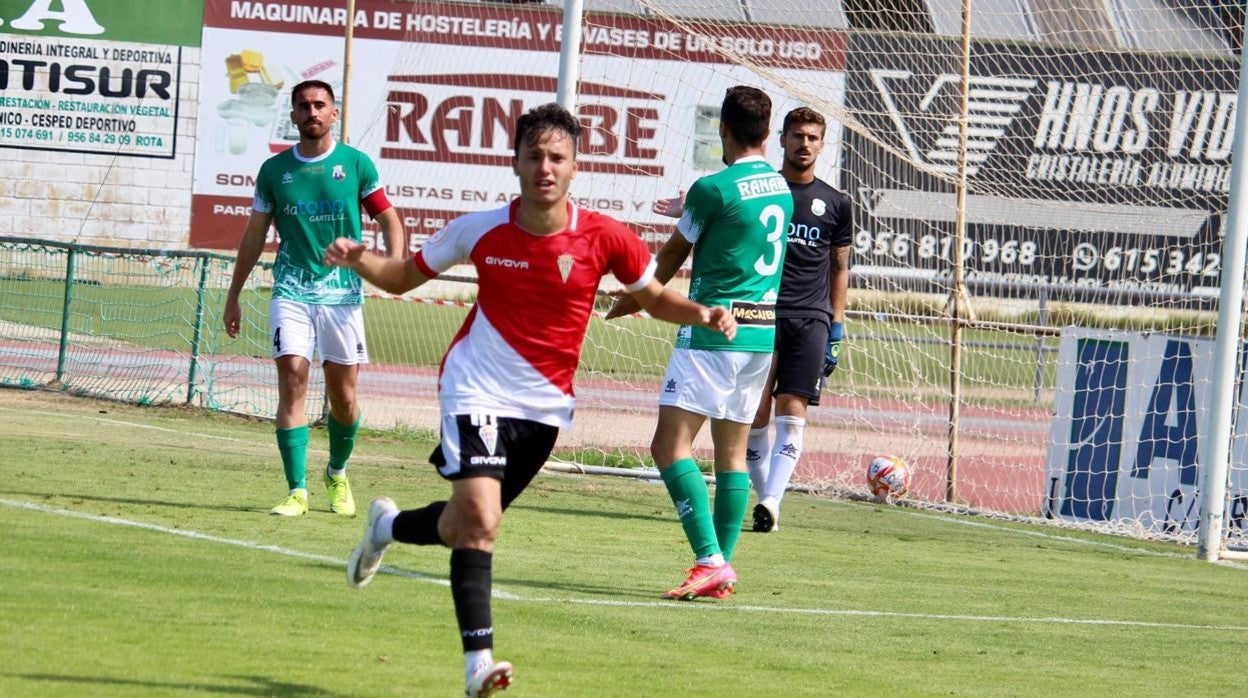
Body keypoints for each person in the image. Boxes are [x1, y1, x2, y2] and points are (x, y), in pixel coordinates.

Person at [325, 103, 736, 697]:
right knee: (483, 522)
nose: (545, 167)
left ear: (575, 167)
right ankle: (477, 666)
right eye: (534, 156)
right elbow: (402, 278)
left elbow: (653, 295)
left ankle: (386, 526)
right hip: (475, 387)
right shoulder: (481, 229)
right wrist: (360, 256)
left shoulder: (606, 237)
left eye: (557, 157)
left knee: (460, 524)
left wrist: (702, 311)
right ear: (515, 162)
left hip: (543, 409)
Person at [606, 86, 793, 600]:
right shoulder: (779, 187)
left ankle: (709, 559)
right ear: (767, 130)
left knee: (669, 445)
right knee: (731, 456)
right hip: (761, 333)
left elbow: (669, 256)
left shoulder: (712, 189)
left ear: (723, 129)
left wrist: (635, 298)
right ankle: (721, 568)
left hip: (713, 332)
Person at [651, 107, 852, 533]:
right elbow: (729, 206)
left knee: (784, 412)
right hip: (763, 321)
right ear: (776, 137)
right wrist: (690, 204)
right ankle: (758, 511)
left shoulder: (834, 203)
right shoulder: (774, 189)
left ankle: (767, 506)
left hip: (784, 320)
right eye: (797, 135)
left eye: (813, 137)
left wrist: (837, 324)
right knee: (748, 430)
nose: (804, 143)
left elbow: (839, 267)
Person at [223, 79, 405, 517]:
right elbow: (253, 236)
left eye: (320, 105)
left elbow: (389, 218)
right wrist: (234, 294)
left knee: (344, 398)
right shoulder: (273, 171)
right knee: (293, 380)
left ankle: (337, 473)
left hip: (342, 295)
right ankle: (296, 490)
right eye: (303, 106)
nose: (312, 112)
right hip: (291, 289)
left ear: (334, 113)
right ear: (293, 116)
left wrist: (396, 265)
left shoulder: (355, 164)